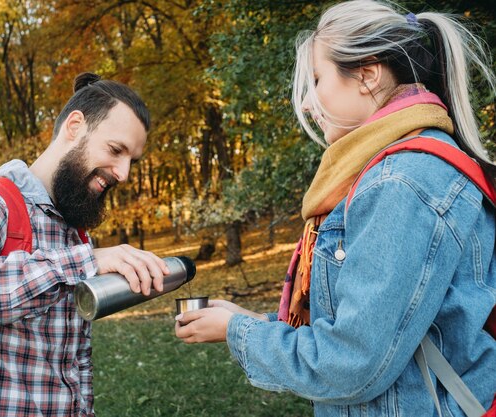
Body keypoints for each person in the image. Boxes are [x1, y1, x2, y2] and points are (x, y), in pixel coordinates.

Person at [175, 1, 496, 415]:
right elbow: (372, 328)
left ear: (367, 74)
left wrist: (240, 332)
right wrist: (248, 320)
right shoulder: (400, 169)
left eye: (316, 79)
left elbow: (352, 362)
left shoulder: (401, 181)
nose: (308, 104)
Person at [0, 72, 169, 417]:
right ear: (74, 126)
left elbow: (73, 365)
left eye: (131, 161)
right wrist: (83, 261)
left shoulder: (73, 234)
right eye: (116, 150)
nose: (124, 173)